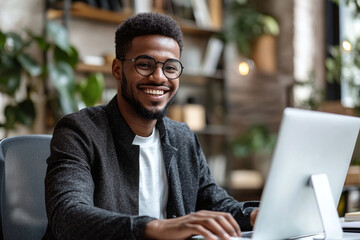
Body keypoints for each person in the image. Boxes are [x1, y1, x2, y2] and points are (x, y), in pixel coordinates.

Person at [43, 12, 259, 240]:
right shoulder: (79, 131)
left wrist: (255, 215)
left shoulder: (182, 137)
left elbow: (215, 203)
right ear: (117, 69)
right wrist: (157, 227)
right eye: (144, 65)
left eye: (171, 68)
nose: (159, 77)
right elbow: (68, 216)